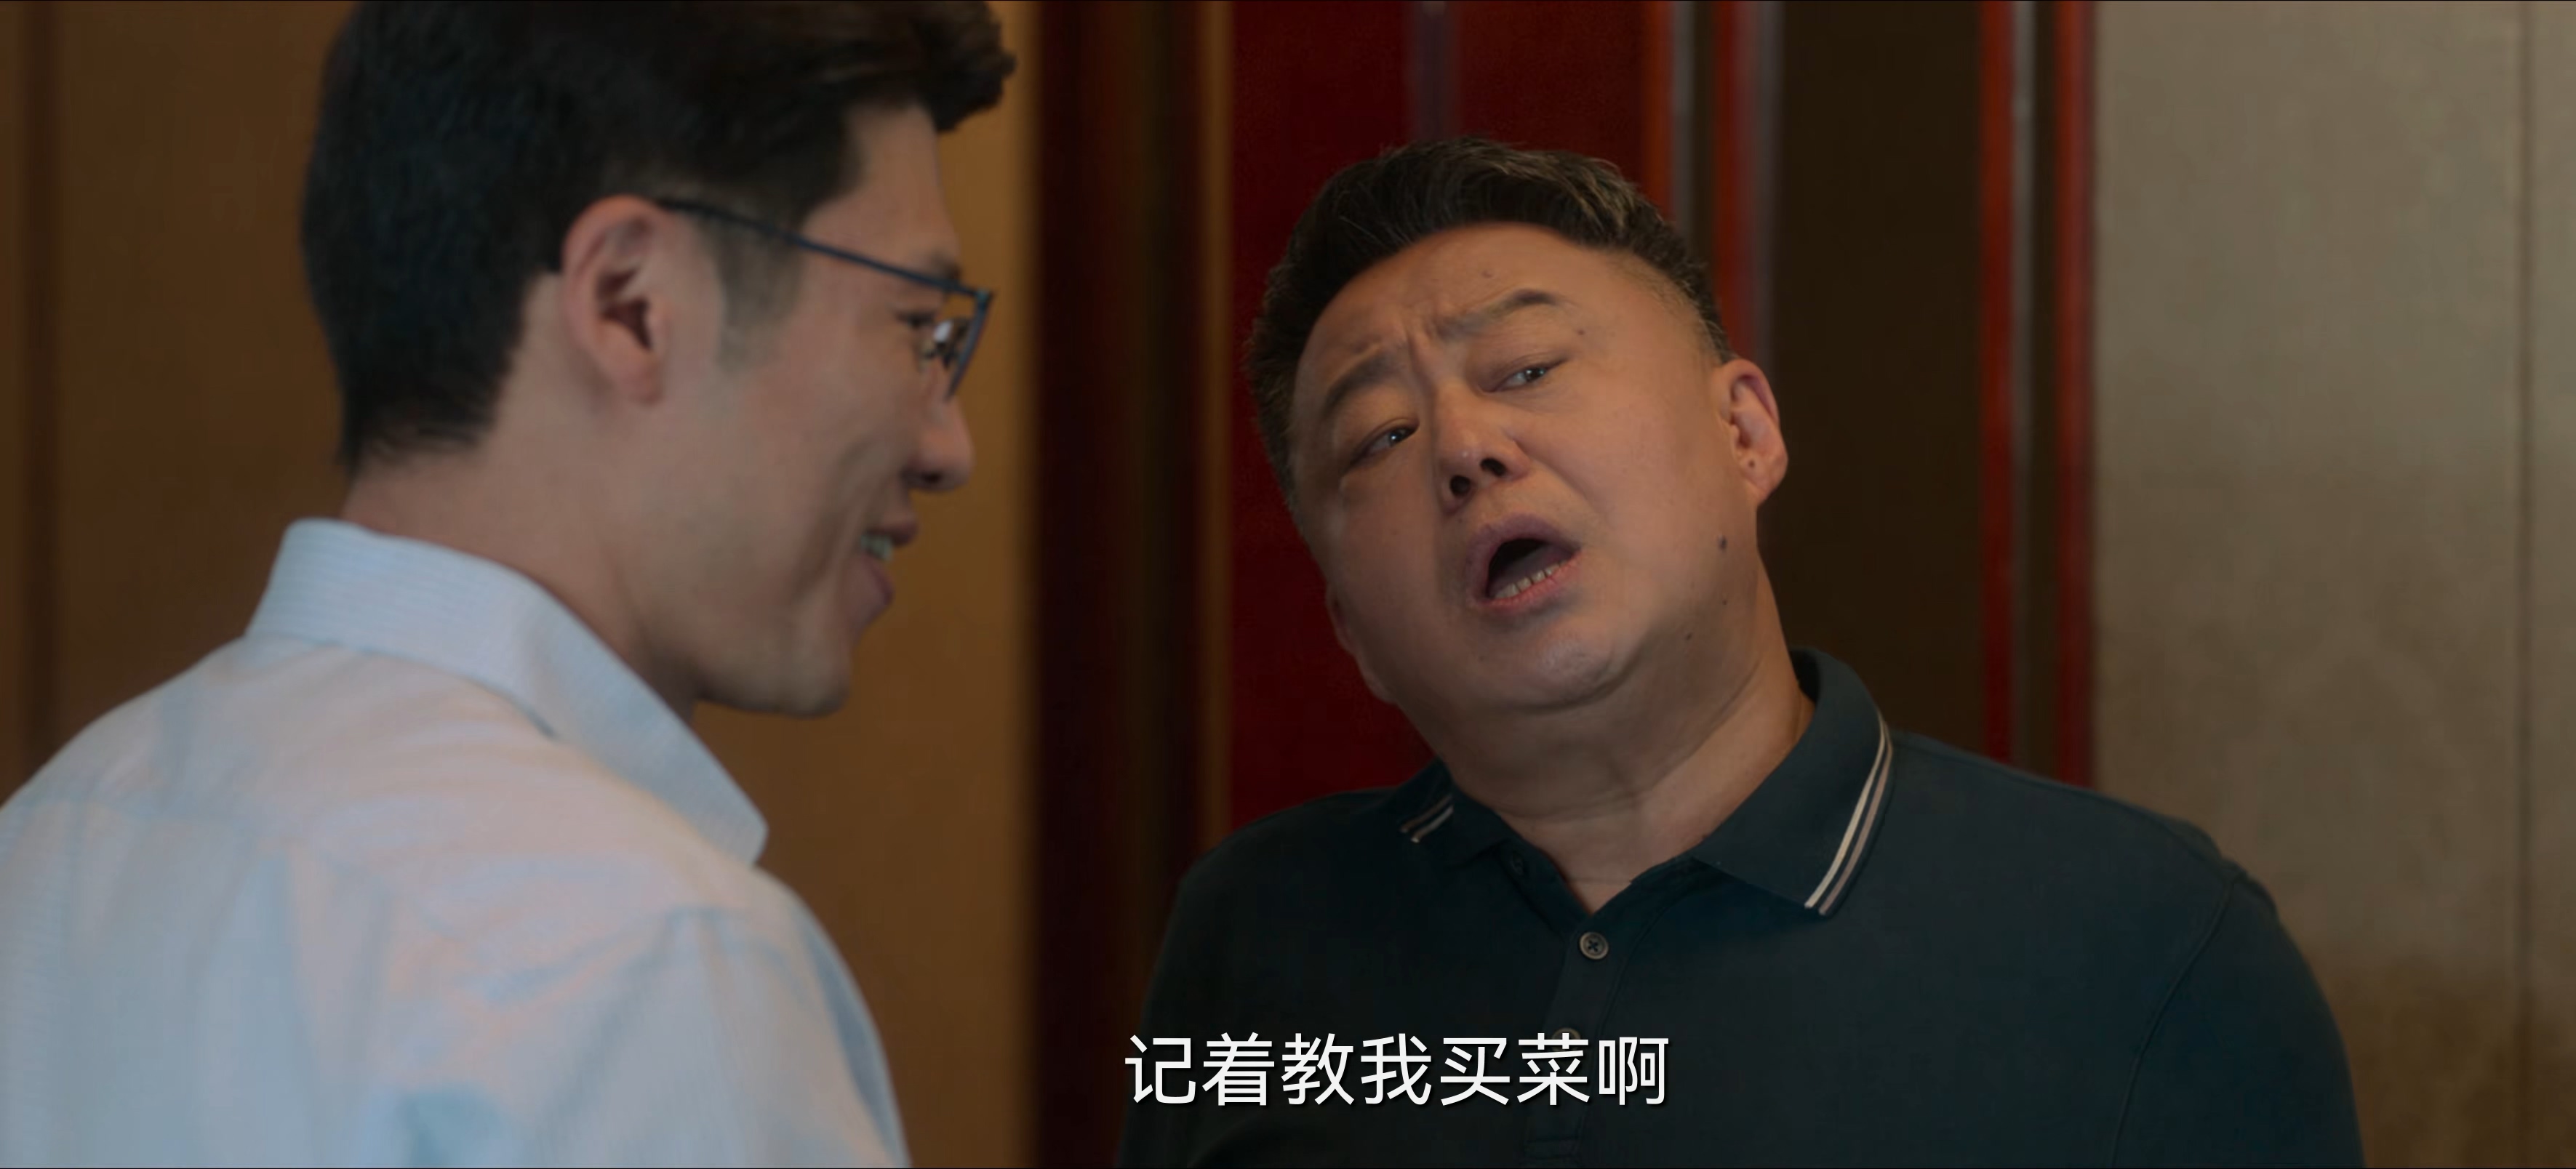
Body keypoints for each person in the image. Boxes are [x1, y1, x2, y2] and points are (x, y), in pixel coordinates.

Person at [1119, 137, 2362, 1167]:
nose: (1464, 445)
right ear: (1353, 634)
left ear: (1746, 433)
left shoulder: (2149, 943)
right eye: (1380, 438)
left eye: (1528, 367)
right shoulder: (1257, 931)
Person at [0, 3, 1011, 1164]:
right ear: (631, 302)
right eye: (916, 325)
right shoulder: (643, 965)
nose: (949, 446)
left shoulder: (52, 844)